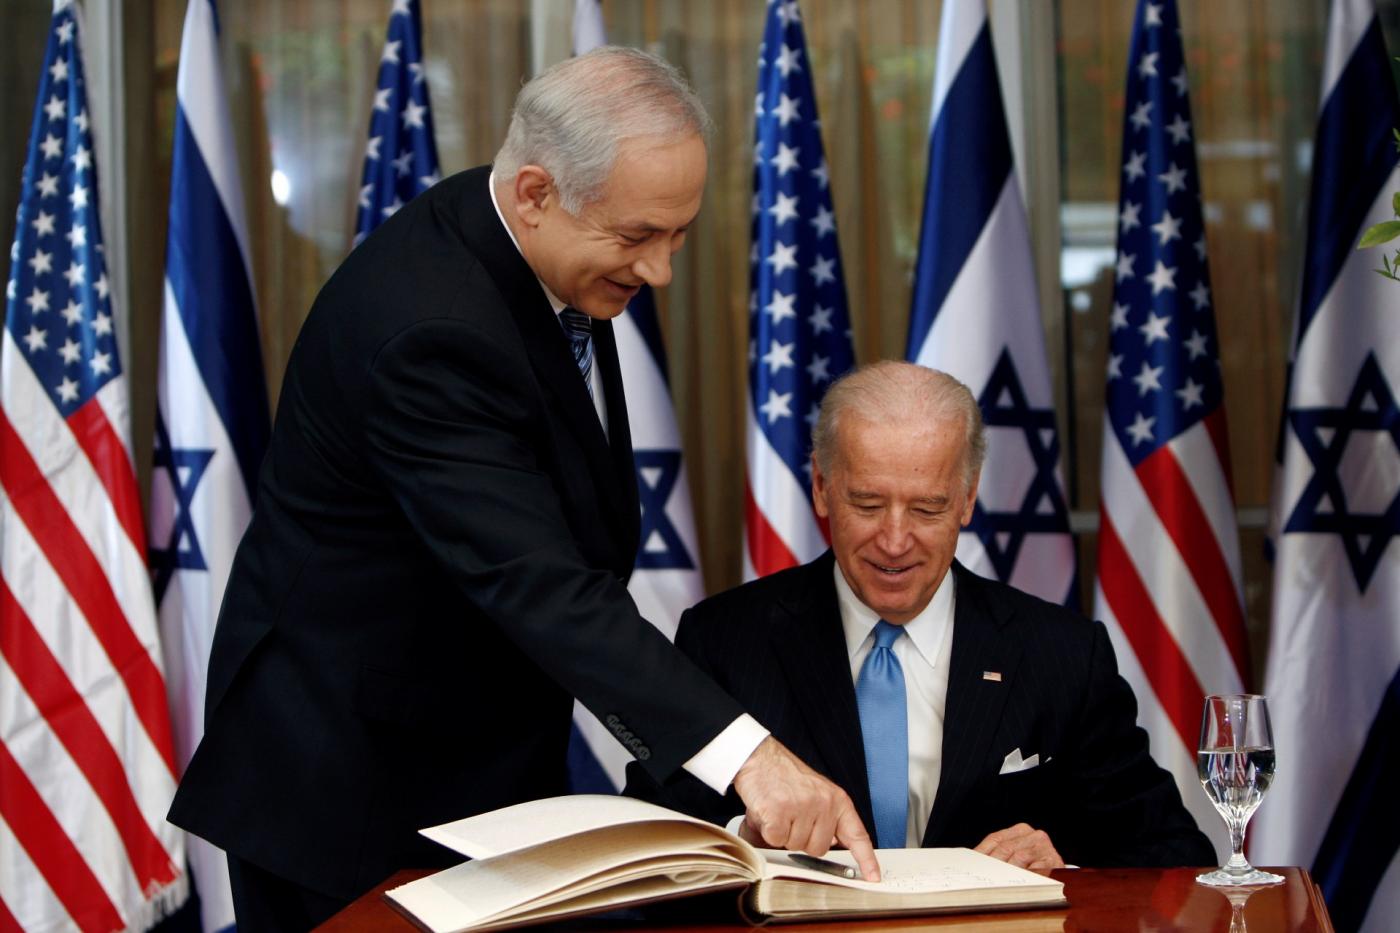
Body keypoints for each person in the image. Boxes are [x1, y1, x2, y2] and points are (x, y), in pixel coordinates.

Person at [168, 47, 876, 929]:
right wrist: (748, 756)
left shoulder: (535, 240)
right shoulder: (431, 331)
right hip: (350, 795)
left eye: (678, 234)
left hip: (480, 772)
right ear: (536, 192)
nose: (660, 271)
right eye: (636, 238)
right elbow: (537, 581)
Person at [625, 361, 1215, 869]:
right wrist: (745, 842)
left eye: (928, 508)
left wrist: (1063, 859)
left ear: (966, 499)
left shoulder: (1061, 654)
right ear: (822, 488)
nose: (895, 540)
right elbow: (648, 845)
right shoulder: (724, 641)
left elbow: (1175, 855)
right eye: (868, 503)